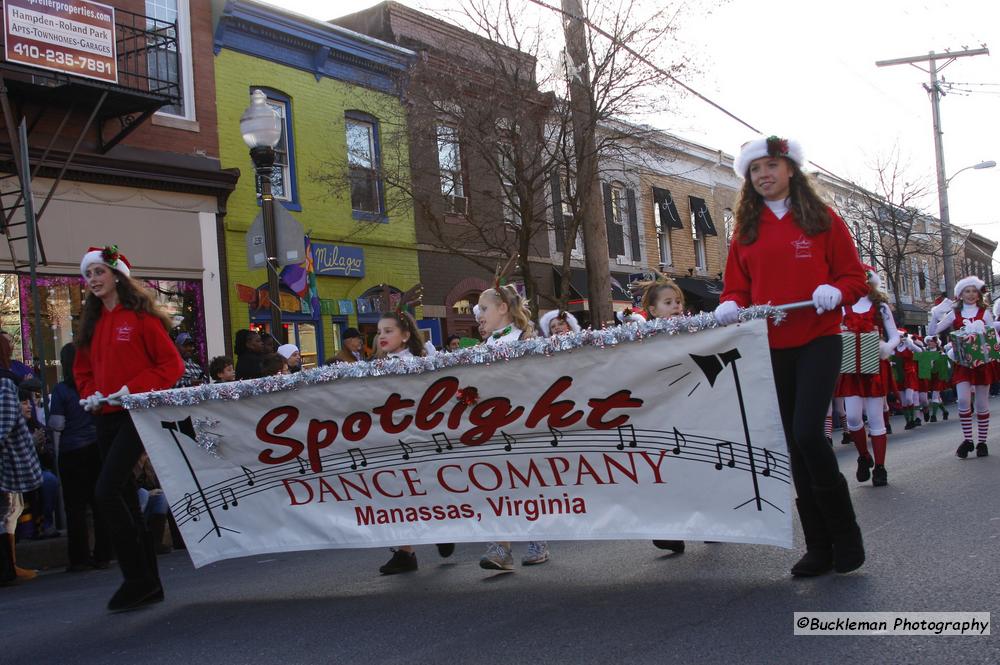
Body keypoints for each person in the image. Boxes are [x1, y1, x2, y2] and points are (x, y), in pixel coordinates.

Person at [714, 135, 867, 577]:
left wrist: (835, 290)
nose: (763, 176)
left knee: (808, 433)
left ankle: (846, 534)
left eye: (770, 167)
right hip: (771, 346)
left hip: (819, 339)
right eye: (755, 170)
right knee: (794, 447)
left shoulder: (822, 220)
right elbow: (736, 287)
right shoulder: (745, 230)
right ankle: (819, 547)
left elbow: (854, 278)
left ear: (790, 170)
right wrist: (730, 303)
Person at [74, 245, 184, 612]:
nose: (93, 280)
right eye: (89, 274)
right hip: (103, 415)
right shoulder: (90, 324)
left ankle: (135, 579)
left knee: (105, 491)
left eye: (99, 273)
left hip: (136, 414)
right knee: (121, 497)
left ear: (117, 275)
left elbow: (171, 366)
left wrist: (131, 390)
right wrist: (90, 394)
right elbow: (83, 371)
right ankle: (149, 584)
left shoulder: (141, 319)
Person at [374, 310, 456, 575]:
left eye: (389, 331)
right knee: (395, 493)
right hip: (391, 440)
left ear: (406, 336)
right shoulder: (378, 366)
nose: (381, 336)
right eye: (379, 332)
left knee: (422, 488)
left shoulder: (416, 365)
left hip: (417, 439)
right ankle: (405, 551)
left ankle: (440, 529)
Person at [477, 284, 550, 571]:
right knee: (495, 484)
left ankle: (538, 538)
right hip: (492, 424)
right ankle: (501, 548)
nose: (479, 316)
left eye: (484, 309)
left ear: (503, 308)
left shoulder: (525, 338)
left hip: (522, 422)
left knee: (526, 483)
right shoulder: (485, 345)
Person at [49, 343, 112, 571]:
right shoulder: (95, 385)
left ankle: (79, 557)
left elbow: (57, 423)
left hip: (71, 450)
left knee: (75, 507)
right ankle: (103, 554)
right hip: (96, 447)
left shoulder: (61, 390)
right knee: (99, 503)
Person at [835, 267, 900, 487]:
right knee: (853, 418)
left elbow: (895, 336)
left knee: (875, 418)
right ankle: (864, 455)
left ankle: (880, 467)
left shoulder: (880, 306)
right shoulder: (843, 307)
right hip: (851, 366)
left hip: (874, 364)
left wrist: (886, 348)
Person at [928, 275, 994, 458]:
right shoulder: (954, 314)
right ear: (960, 294)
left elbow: (994, 336)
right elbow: (933, 332)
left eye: (974, 291)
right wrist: (934, 314)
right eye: (967, 291)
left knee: (981, 403)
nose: (971, 294)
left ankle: (982, 442)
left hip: (982, 363)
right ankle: (968, 440)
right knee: (964, 400)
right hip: (963, 363)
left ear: (979, 294)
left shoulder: (985, 313)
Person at [0, 346, 41, 586]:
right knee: (8, 510)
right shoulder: (5, 385)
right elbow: (3, 427)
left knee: (10, 510)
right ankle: (8, 568)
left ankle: (9, 565)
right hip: (7, 459)